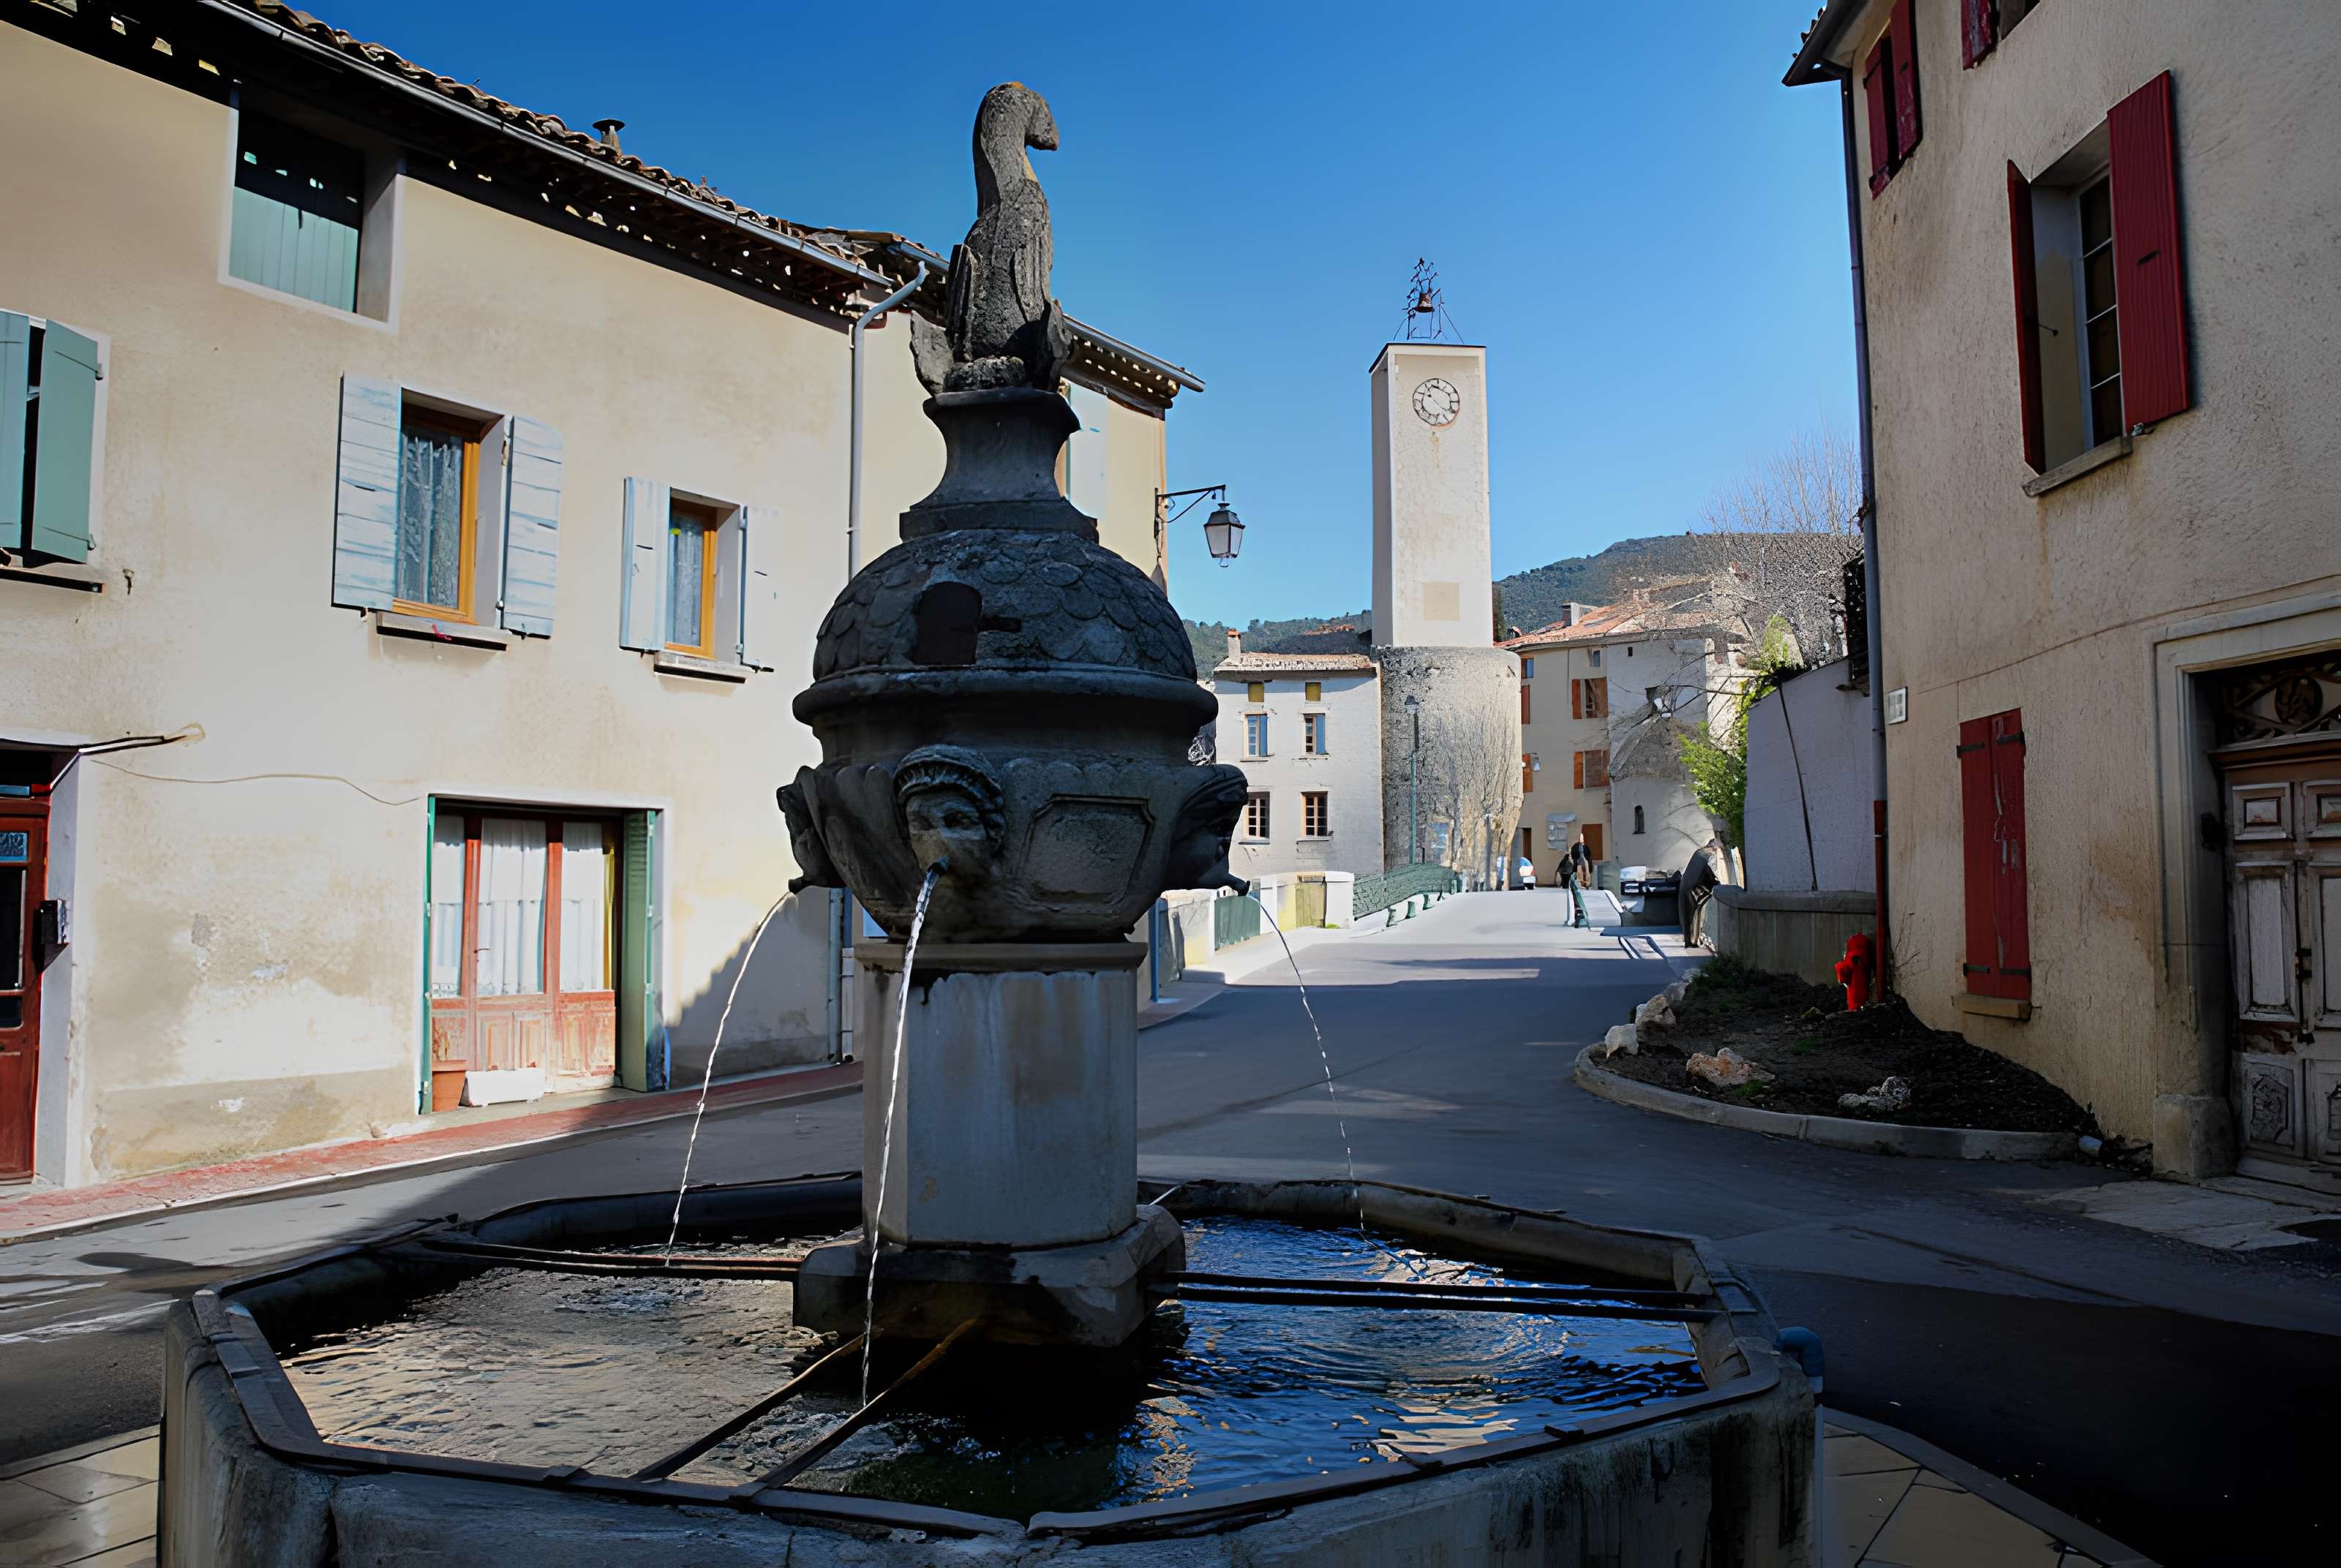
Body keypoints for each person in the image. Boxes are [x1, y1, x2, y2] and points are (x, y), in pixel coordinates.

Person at [1680, 837, 1724, 946]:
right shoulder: (1708, 856)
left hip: (1687, 887)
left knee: (1687, 916)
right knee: (1696, 916)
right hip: (1694, 889)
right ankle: (1693, 941)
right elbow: (1708, 873)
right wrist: (1717, 884)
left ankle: (1689, 940)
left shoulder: (1700, 853)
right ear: (1715, 848)